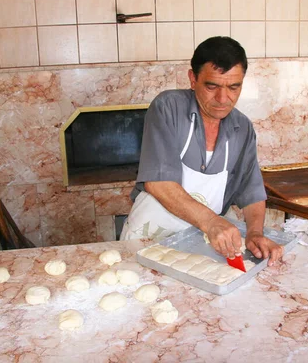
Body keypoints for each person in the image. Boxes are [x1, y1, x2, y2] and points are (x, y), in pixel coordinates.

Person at [120, 36, 283, 266]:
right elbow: (158, 183)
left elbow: (251, 192)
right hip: (148, 239)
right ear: (193, 78)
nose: (223, 98)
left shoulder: (242, 128)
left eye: (233, 87)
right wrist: (212, 222)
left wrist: (255, 233)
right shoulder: (168, 108)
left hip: (201, 244)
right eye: (212, 86)